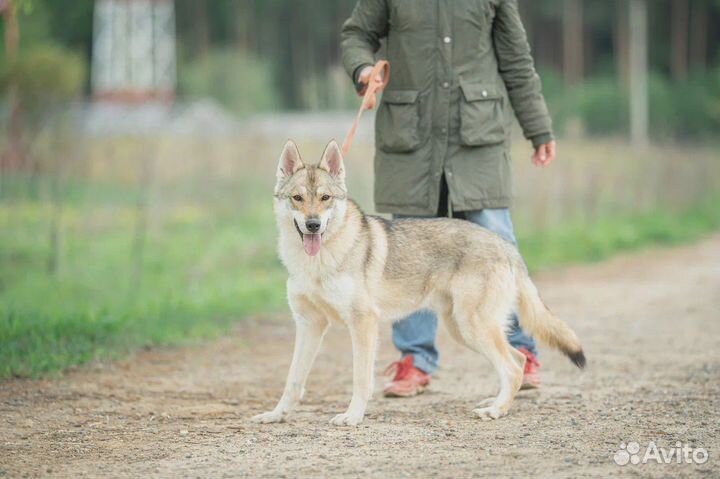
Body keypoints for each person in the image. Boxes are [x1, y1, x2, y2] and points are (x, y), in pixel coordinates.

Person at [340, 0, 556, 396]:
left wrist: (538, 127)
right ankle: (414, 361)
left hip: (478, 139)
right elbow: (356, 34)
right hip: (411, 139)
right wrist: (363, 69)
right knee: (405, 252)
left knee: (497, 243)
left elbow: (516, 61)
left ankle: (522, 351)